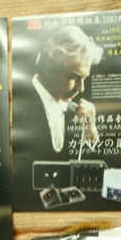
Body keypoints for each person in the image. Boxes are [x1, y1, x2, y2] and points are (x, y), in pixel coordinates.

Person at [32, 25, 103, 153]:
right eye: (74, 77)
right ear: (51, 67)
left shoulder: (77, 114)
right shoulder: (16, 101)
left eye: (84, 78)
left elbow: (97, 162)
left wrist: (90, 130)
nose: (81, 89)